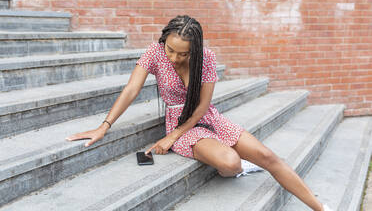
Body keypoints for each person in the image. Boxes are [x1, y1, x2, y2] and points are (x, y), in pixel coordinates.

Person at [66, 15, 332, 211]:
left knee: (267, 156)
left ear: (194, 49)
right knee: (230, 163)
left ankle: (320, 208)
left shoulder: (206, 57)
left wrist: (174, 137)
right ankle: (234, 163)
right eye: (170, 49)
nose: (174, 58)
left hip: (207, 117)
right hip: (180, 123)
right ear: (163, 40)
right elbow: (131, 89)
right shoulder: (154, 53)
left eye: (183, 53)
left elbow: (204, 106)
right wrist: (105, 125)